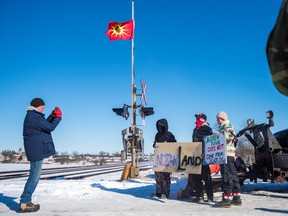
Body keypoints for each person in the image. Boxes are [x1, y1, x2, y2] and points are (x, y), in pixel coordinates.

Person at [19, 98, 62, 213]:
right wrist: (58, 117)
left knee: (34, 176)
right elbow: (49, 127)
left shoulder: (33, 116)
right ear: (39, 106)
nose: (44, 108)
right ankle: (24, 202)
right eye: (43, 106)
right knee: (34, 177)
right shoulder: (34, 116)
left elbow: (45, 125)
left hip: (35, 150)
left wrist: (52, 116)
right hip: (36, 151)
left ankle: (26, 201)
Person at [214, 111, 241, 208]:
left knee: (227, 175)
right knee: (233, 175)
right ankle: (236, 197)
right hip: (229, 154)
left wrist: (217, 135)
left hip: (226, 154)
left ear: (222, 118)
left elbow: (230, 136)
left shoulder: (226, 126)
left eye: (218, 118)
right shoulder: (225, 126)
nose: (217, 120)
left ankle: (226, 198)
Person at [191, 113, 214, 202]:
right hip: (196, 156)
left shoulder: (207, 129)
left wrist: (205, 152)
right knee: (196, 176)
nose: (197, 119)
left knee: (206, 176)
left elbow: (209, 142)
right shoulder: (195, 129)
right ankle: (199, 195)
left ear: (203, 119)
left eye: (199, 118)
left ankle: (210, 197)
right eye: (197, 118)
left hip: (204, 155)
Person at [152, 118, 176, 199]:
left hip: (167, 161)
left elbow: (174, 145)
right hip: (158, 160)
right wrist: (154, 145)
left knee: (165, 178)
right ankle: (158, 192)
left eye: (161, 125)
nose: (160, 127)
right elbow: (155, 143)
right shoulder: (157, 135)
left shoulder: (169, 135)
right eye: (158, 126)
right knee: (158, 177)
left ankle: (165, 193)